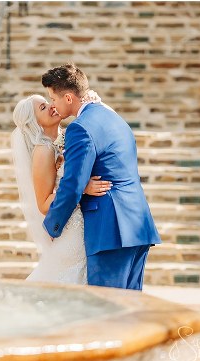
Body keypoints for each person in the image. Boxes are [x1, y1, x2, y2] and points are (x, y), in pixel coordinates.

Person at [41, 63, 161, 290]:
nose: (52, 105)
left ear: (68, 98)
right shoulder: (115, 118)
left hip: (110, 229)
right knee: (129, 306)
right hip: (138, 225)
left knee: (107, 305)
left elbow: (72, 184)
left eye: (53, 99)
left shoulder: (80, 128)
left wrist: (53, 225)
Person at [11, 94, 111, 284]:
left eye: (48, 102)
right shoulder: (43, 150)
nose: (51, 106)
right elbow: (43, 204)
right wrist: (81, 188)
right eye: (42, 108)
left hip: (90, 221)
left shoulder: (70, 136)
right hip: (71, 229)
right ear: (35, 123)